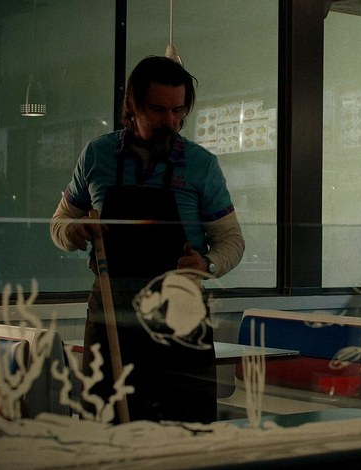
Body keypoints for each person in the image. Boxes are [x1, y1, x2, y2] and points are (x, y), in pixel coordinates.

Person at [50, 55, 245, 424]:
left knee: (185, 429)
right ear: (132, 105)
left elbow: (232, 241)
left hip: (180, 314)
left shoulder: (201, 165)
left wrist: (206, 264)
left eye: (178, 110)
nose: (170, 121)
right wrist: (74, 231)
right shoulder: (97, 155)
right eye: (158, 110)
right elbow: (59, 223)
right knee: (105, 425)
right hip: (112, 311)